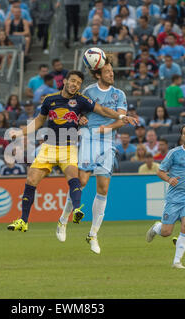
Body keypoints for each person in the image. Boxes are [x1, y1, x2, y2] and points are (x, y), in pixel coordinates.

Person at [8, 70, 136, 235]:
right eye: (73, 81)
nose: (75, 85)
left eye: (78, 83)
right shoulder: (49, 100)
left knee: (74, 178)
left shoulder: (82, 100)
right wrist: (20, 133)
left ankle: (76, 210)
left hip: (69, 147)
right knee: (31, 179)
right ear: (65, 81)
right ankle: (23, 221)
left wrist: (120, 116)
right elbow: (38, 121)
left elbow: (102, 110)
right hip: (49, 147)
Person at [57, 61, 136, 254]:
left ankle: (93, 234)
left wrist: (105, 129)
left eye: (112, 71)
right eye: (107, 71)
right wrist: (80, 119)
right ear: (98, 74)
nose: (111, 74)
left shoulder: (120, 94)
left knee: (103, 187)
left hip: (108, 141)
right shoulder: (88, 92)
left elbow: (121, 119)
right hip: (89, 138)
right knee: (82, 180)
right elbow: (75, 112)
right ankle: (62, 220)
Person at [146, 124, 185, 269]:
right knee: (166, 232)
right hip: (174, 198)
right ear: (181, 136)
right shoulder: (174, 153)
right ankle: (157, 227)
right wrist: (169, 179)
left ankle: (177, 261)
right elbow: (160, 171)